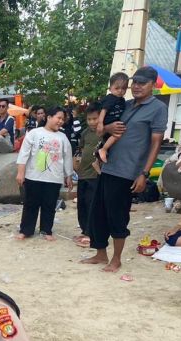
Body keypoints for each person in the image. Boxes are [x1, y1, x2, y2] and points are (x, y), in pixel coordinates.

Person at [81, 66, 167, 272]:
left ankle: (116, 259)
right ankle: (100, 254)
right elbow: (102, 127)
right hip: (107, 167)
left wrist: (144, 173)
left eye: (142, 83)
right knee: (98, 213)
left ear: (153, 85)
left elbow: (156, 144)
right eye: (134, 82)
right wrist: (108, 128)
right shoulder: (124, 104)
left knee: (117, 215)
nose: (136, 86)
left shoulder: (158, 108)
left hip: (128, 171)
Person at [15, 107, 74, 241]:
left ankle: (46, 230)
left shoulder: (63, 137)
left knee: (49, 205)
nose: (60, 121)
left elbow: (67, 157)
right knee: (31, 204)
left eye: (63, 119)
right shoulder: (34, 133)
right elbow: (24, 153)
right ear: (49, 117)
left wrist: (68, 176)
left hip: (54, 178)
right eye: (58, 118)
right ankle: (26, 230)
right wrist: (20, 173)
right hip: (33, 176)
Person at [74, 102, 102, 245]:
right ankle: (85, 230)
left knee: (92, 204)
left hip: (95, 175)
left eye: (95, 118)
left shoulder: (104, 132)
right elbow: (81, 149)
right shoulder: (85, 133)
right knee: (82, 205)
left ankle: (92, 233)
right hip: (82, 174)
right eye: (89, 119)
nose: (92, 122)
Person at [95, 72, 130, 164]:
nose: (120, 91)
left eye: (123, 88)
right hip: (107, 122)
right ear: (110, 88)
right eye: (117, 88)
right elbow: (104, 110)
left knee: (112, 138)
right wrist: (100, 123)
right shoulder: (110, 98)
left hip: (113, 122)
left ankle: (100, 155)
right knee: (116, 136)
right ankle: (103, 150)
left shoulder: (122, 100)